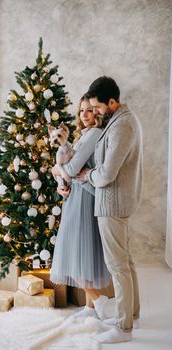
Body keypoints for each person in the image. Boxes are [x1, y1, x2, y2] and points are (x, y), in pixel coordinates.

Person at [77, 76, 143, 343]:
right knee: (125, 263)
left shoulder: (122, 125)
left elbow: (106, 174)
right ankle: (132, 316)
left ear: (112, 102)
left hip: (112, 203)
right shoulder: (120, 120)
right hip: (114, 201)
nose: (95, 112)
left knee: (118, 266)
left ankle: (123, 328)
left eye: (98, 107)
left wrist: (86, 175)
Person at [50, 94, 111, 321]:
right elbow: (68, 169)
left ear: (97, 112)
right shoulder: (81, 137)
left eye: (89, 110)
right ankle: (90, 307)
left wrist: (57, 170)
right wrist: (60, 183)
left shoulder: (94, 134)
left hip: (84, 197)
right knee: (82, 253)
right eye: (81, 111)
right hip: (75, 195)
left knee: (76, 251)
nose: (84, 115)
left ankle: (97, 298)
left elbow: (73, 167)